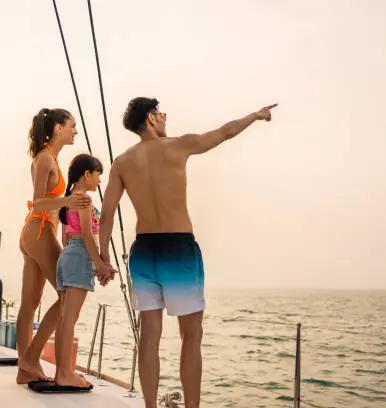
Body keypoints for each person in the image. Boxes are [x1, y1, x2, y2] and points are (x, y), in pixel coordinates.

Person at [97, 97, 277, 408]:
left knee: (149, 336)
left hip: (145, 251)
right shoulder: (177, 146)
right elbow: (224, 133)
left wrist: (103, 256)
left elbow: (108, 214)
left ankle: (150, 406)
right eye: (161, 114)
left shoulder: (122, 163)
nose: (165, 119)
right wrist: (256, 115)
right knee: (191, 336)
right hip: (178, 249)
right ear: (151, 119)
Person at [16, 108, 92, 384]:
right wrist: (68, 202)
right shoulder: (46, 157)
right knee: (66, 297)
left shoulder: (49, 157)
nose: (75, 131)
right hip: (38, 230)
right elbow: (37, 201)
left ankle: (26, 367)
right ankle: (30, 358)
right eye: (72, 126)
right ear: (58, 128)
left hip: (34, 232)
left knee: (30, 303)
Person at [54, 154, 116, 388]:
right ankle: (65, 374)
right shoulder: (85, 200)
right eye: (98, 173)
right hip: (79, 254)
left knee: (64, 318)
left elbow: (66, 235)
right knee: (70, 319)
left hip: (67, 255)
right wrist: (100, 264)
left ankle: (62, 372)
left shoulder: (68, 199)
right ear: (86, 174)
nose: (100, 179)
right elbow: (88, 236)